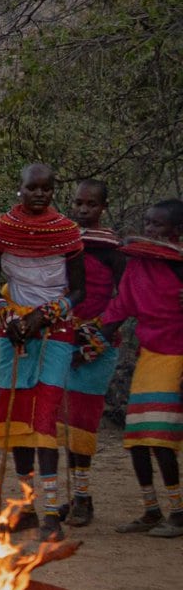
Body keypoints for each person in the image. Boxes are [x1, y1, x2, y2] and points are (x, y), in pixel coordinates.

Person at [0, 163, 86, 540]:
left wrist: (45, 315)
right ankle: (27, 505)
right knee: (16, 417)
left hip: (54, 331)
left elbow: (78, 291)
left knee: (44, 417)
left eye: (47, 188)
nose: (40, 194)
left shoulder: (67, 233)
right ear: (20, 188)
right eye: (33, 188)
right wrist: (8, 314)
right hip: (12, 332)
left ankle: (50, 512)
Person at [99, 199, 183, 537]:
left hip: (176, 356)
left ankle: (177, 513)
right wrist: (90, 338)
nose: (149, 230)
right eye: (147, 222)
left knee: (160, 438)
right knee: (136, 438)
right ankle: (151, 510)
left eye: (158, 225)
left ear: (175, 231)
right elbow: (120, 308)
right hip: (148, 357)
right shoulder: (136, 265)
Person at [61, 179, 123, 525]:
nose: (84, 210)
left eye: (91, 205)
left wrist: (98, 335)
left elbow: (125, 297)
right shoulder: (66, 241)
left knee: (83, 422)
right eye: (79, 203)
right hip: (64, 338)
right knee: (63, 423)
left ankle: (83, 498)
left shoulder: (114, 249)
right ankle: (71, 494)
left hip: (99, 339)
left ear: (104, 207)